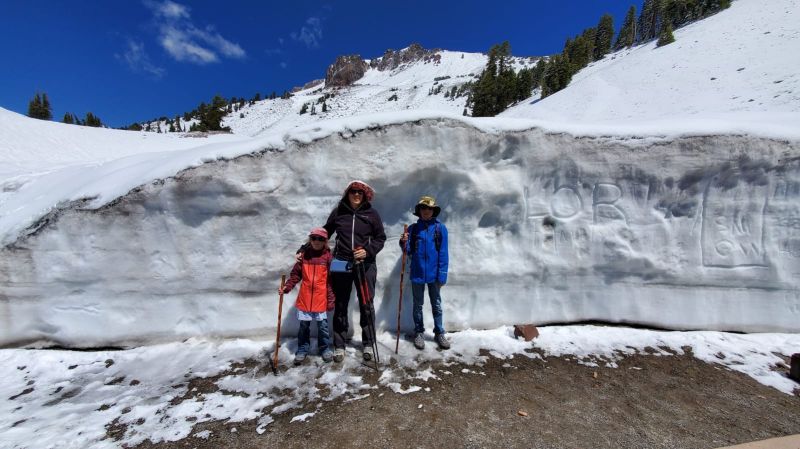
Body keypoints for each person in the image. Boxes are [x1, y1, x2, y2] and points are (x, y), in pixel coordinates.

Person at [318, 180, 386, 362]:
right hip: (342, 262)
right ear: (347, 193)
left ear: (365, 195)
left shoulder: (371, 214)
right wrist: (305, 248)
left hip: (366, 263)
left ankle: (368, 343)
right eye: (353, 191)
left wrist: (368, 251)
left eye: (360, 192)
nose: (356, 195)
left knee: (366, 303)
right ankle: (339, 345)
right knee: (341, 303)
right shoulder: (339, 212)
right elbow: (325, 232)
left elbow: (380, 238)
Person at [399, 195, 450, 350]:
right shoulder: (414, 229)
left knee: (436, 304)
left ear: (433, 211)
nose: (426, 211)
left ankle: (439, 332)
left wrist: (442, 273)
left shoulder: (440, 229)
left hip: (434, 274)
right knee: (417, 305)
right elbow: (408, 251)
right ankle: (419, 332)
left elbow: (443, 252)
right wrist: (403, 242)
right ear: (419, 211)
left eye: (429, 208)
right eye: (423, 208)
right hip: (417, 273)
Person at [282, 227, 335, 364]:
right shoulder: (304, 257)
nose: (317, 241)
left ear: (325, 241)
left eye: (321, 239)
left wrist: (330, 299)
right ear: (310, 240)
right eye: (314, 238)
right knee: (304, 327)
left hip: (320, 299)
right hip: (305, 298)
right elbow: (295, 276)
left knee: (323, 326)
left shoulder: (328, 258)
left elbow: (331, 281)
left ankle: (324, 348)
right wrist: (287, 287)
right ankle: (302, 348)